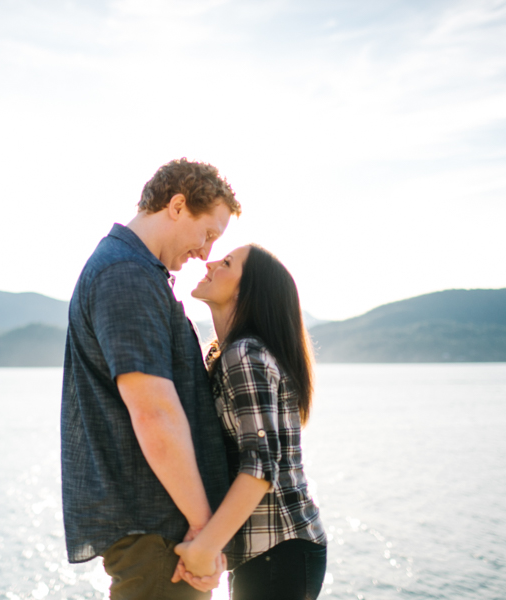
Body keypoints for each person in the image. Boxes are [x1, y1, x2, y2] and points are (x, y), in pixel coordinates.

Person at [60, 158, 241, 599]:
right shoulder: (125, 275)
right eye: (209, 234)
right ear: (177, 206)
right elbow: (154, 411)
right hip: (161, 533)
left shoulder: (138, 273)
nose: (204, 251)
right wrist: (204, 532)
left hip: (159, 531)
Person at [173, 244, 328, 600]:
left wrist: (204, 549)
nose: (210, 262)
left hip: (281, 550)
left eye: (226, 263)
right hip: (276, 549)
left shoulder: (244, 354)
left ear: (246, 292)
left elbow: (260, 468)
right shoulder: (229, 352)